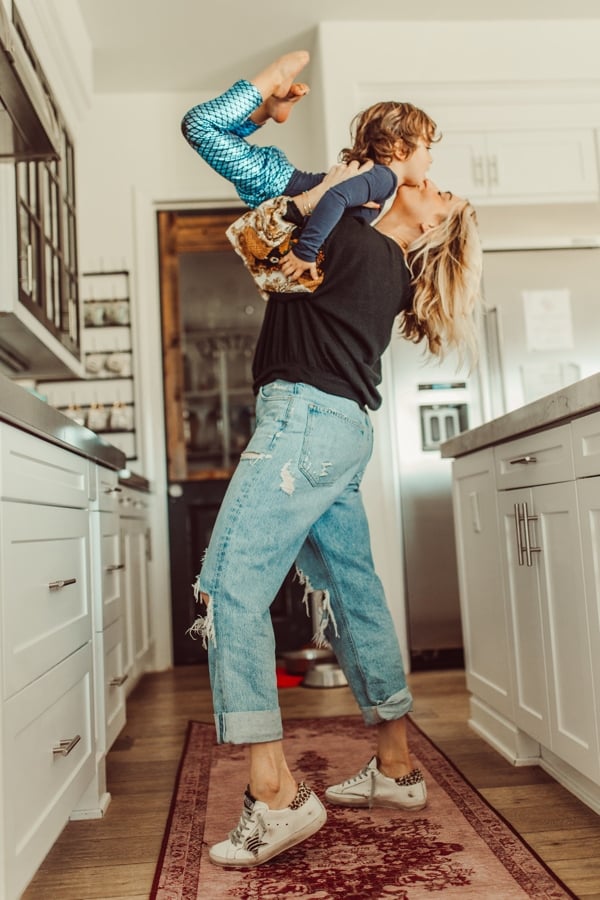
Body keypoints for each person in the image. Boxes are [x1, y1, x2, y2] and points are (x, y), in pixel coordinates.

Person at [185, 61, 483, 871]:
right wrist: (280, 127)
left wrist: (261, 98)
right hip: (343, 432)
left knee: (229, 589)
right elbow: (248, 171)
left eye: (438, 185)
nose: (424, 176)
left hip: (305, 424)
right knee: (356, 591)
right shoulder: (366, 240)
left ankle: (276, 797)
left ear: (429, 223)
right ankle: (396, 767)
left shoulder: (355, 234)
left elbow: (219, 160)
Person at [181, 50, 438, 283]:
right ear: (400, 149)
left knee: (223, 137)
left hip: (277, 187)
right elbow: (336, 195)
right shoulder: (384, 179)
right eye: (427, 147)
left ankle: (270, 108)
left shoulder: (380, 180)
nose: (430, 159)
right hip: (275, 183)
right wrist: (305, 252)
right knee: (199, 125)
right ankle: (274, 77)